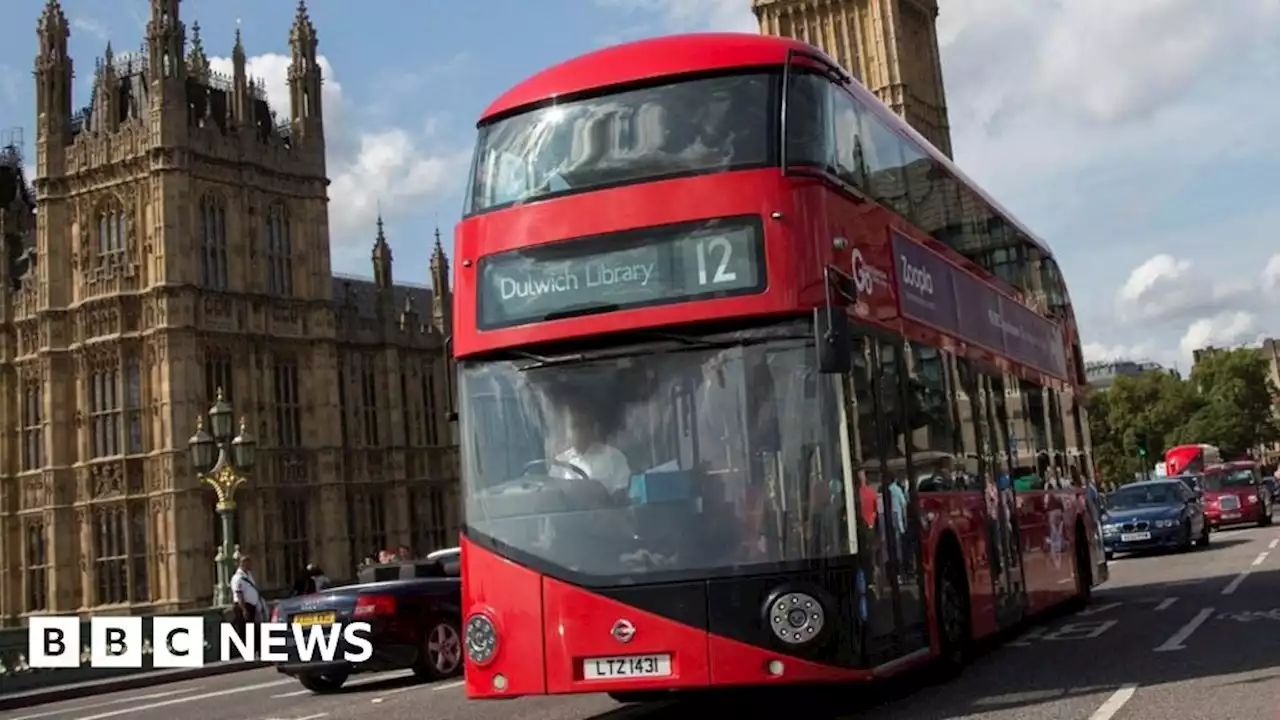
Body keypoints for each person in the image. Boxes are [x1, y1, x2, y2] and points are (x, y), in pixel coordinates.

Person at [550, 400, 632, 498]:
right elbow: (553, 498)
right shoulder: (559, 464)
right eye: (574, 426)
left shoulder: (614, 458)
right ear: (567, 431)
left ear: (593, 428)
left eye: (582, 425)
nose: (578, 431)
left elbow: (622, 495)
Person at [230, 555, 266, 655]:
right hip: (243, 607)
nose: (251, 565)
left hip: (251, 606)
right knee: (246, 630)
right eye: (248, 563)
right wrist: (244, 609)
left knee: (253, 629)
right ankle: (249, 651)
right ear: (243, 564)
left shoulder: (248, 575)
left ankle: (256, 650)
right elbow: (239, 594)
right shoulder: (237, 578)